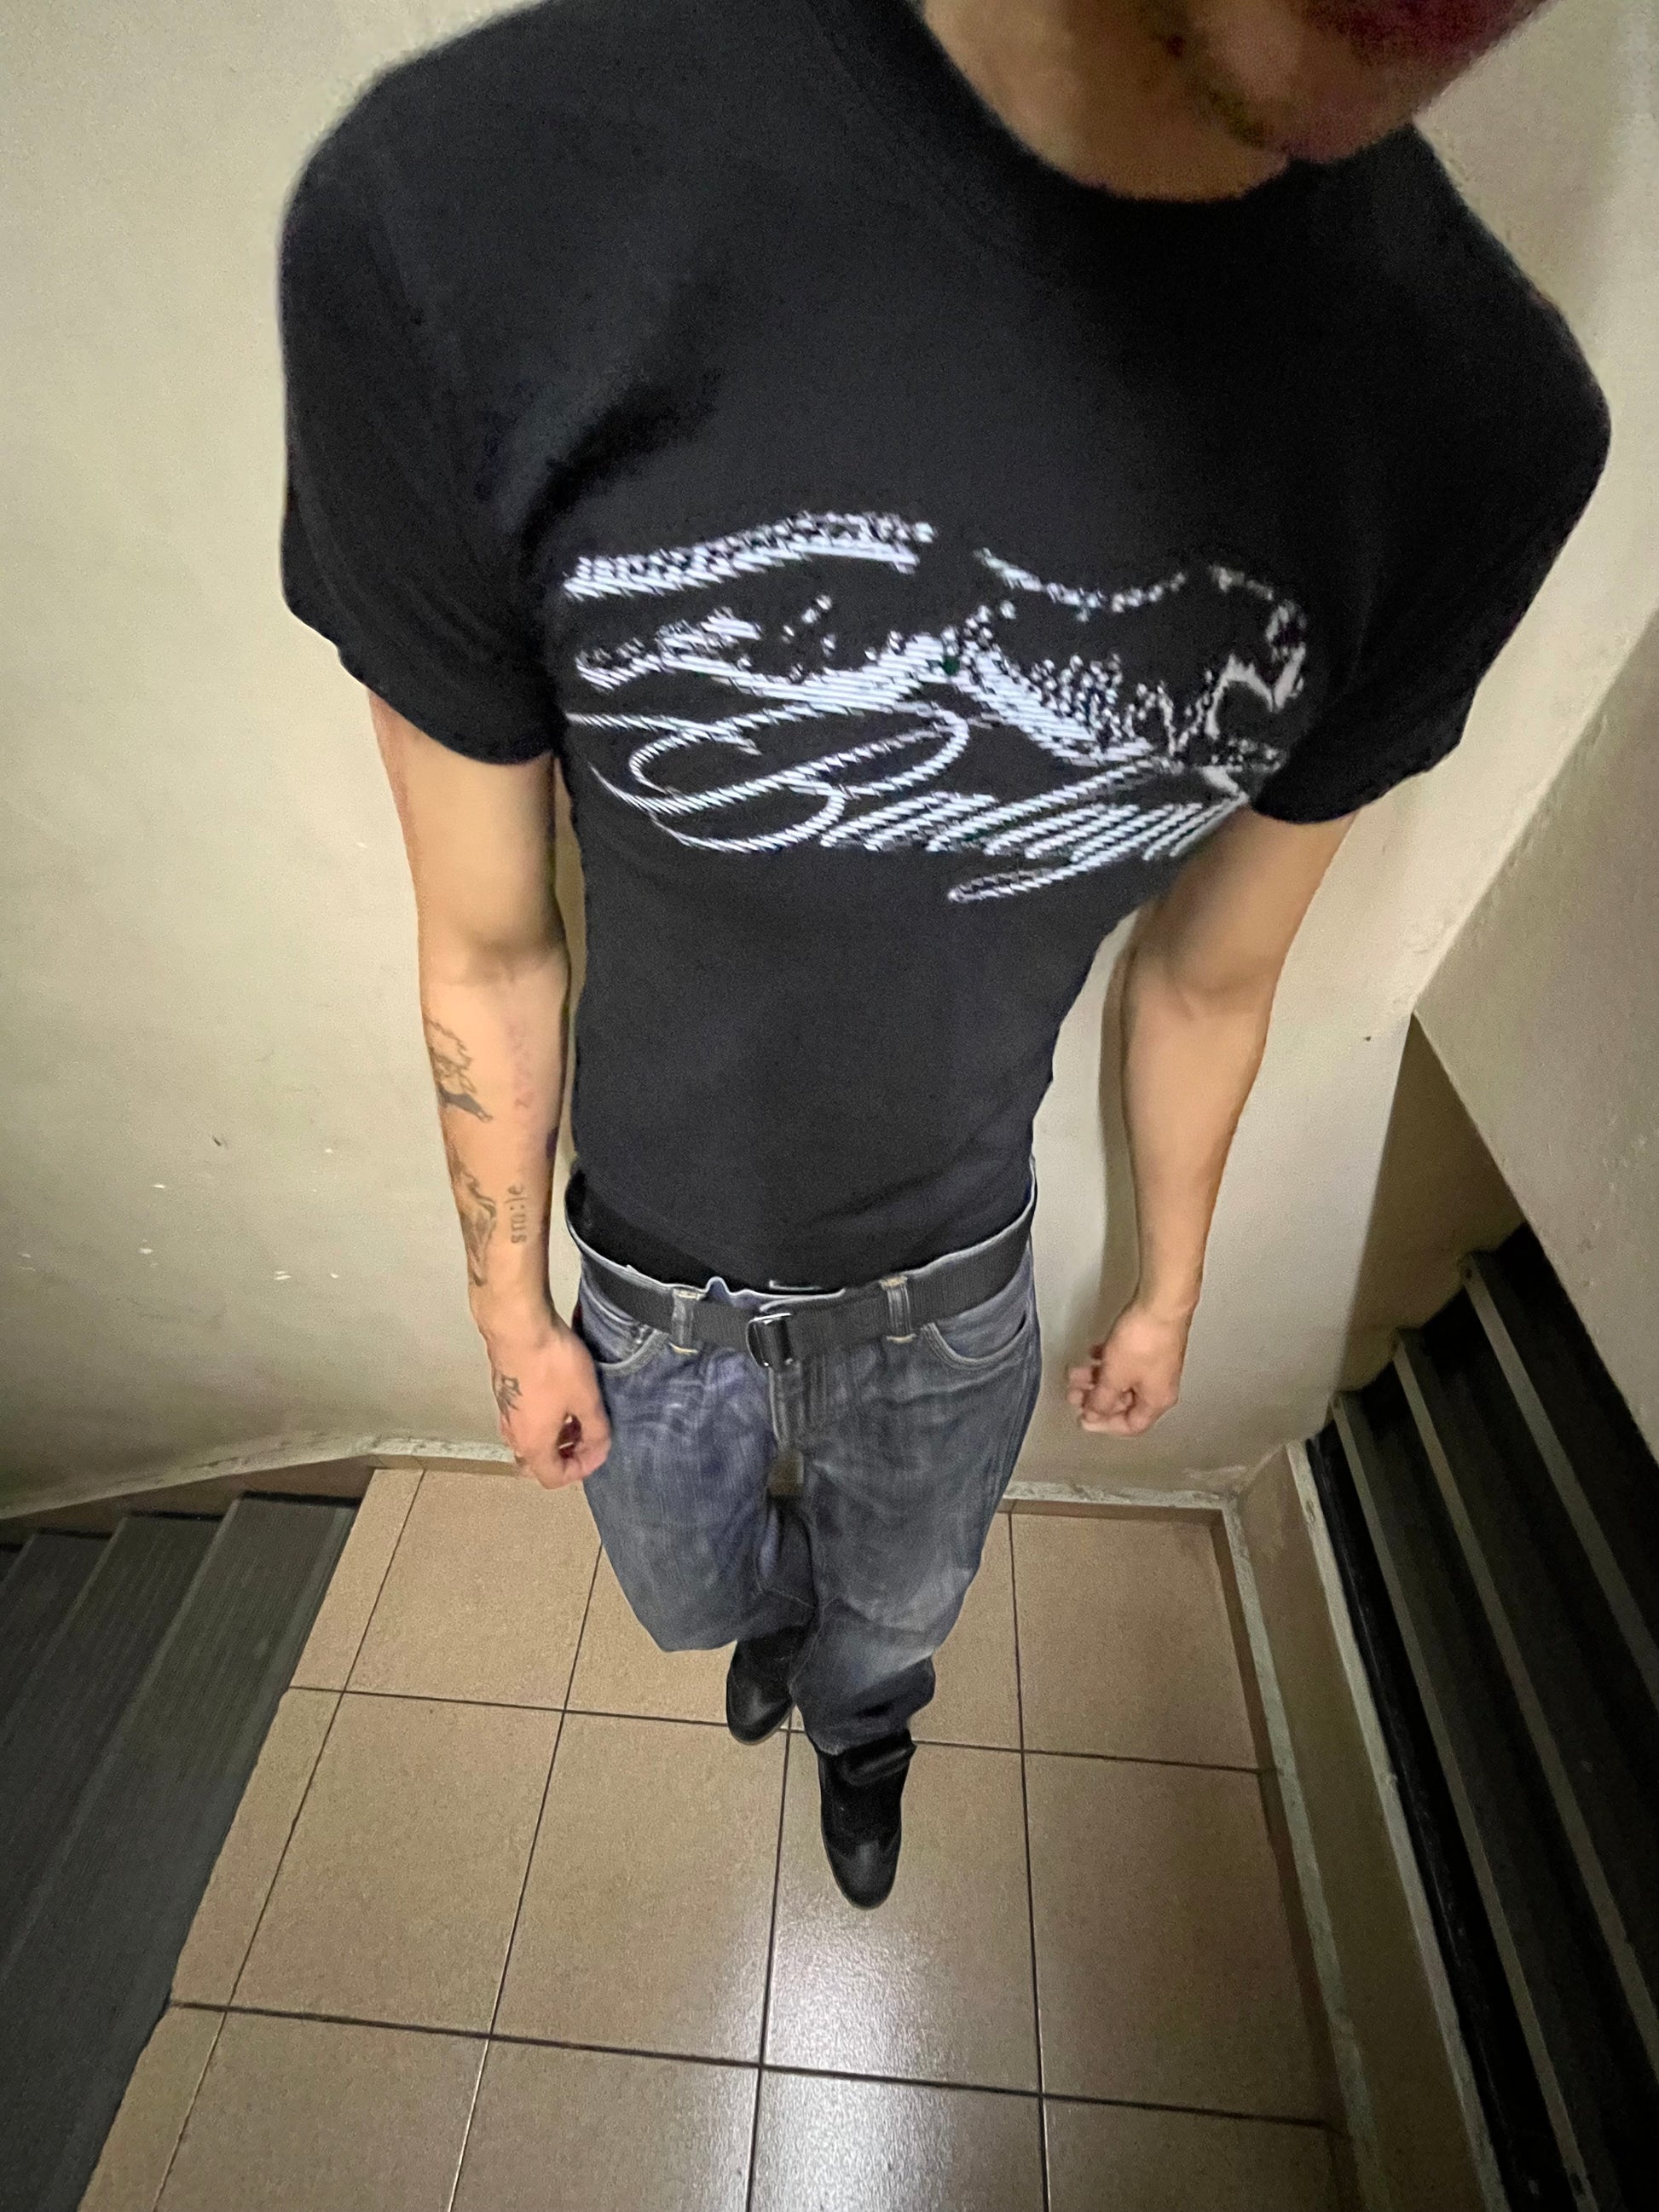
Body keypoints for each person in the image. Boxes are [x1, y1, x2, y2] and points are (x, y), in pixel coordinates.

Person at [277, 0, 1608, 1907]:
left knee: (897, 1618)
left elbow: (1212, 974)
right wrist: (509, 1313)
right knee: (682, 1597)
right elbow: (487, 945)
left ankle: (862, 1731)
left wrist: (1167, 1289)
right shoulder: (471, 211)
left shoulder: (1470, 424)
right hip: (645, 1282)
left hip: (948, 1285)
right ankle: (773, 1642)